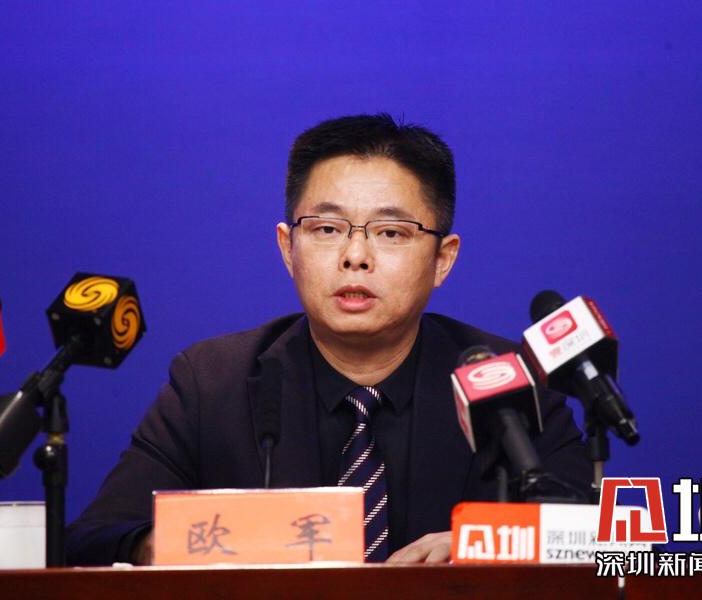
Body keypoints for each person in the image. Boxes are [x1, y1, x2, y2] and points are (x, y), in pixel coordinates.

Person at [66, 114, 592, 565]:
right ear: (287, 248)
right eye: (326, 229)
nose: (355, 256)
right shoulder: (212, 384)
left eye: (390, 233)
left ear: (443, 259)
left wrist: (484, 546)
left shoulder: (509, 383)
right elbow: (95, 538)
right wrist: (209, 546)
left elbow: (595, 541)